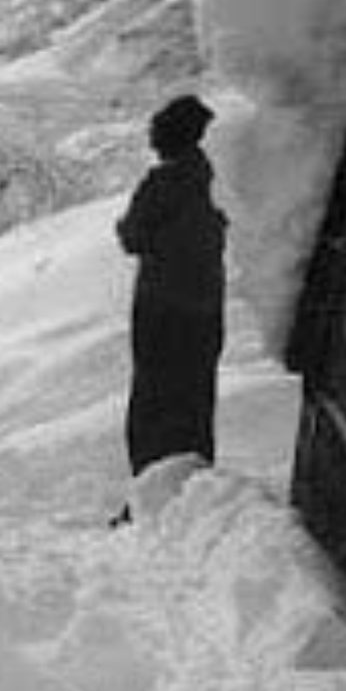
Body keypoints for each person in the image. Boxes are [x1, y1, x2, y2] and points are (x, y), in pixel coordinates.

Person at [114, 95, 228, 507]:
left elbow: (131, 235)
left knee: (152, 405)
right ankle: (191, 494)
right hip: (206, 308)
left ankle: (150, 497)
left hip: (162, 308)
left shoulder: (162, 183)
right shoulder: (212, 178)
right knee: (194, 401)